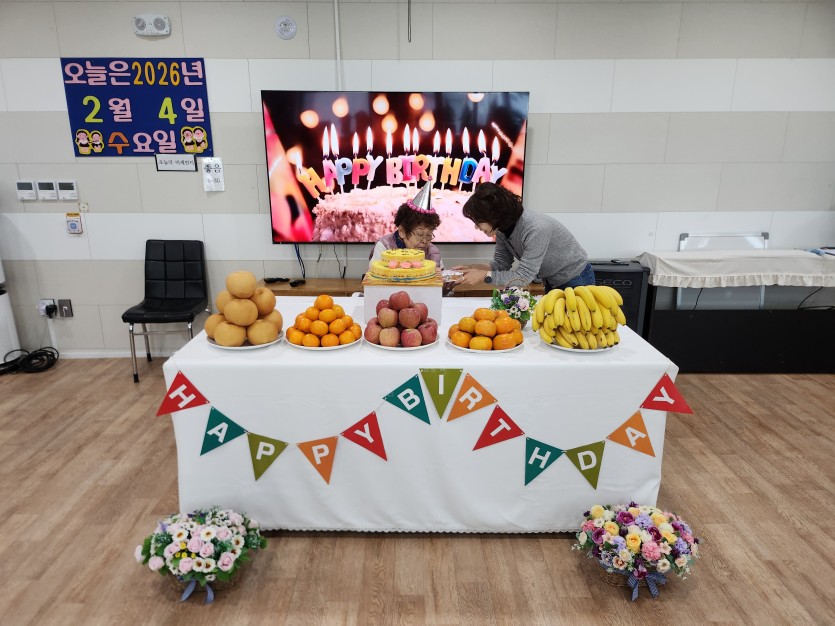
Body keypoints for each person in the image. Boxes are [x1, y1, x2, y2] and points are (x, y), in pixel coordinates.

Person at [453, 182, 593, 292]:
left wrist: (484, 276)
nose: (477, 227)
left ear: (494, 215)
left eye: (478, 221)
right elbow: (501, 264)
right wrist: (472, 268)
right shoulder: (502, 229)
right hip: (551, 280)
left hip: (575, 278)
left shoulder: (536, 228)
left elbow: (523, 278)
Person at [369, 180, 443, 267]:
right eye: (420, 234)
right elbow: (374, 272)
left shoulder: (432, 252)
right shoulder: (384, 247)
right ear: (402, 231)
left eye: (429, 235)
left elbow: (441, 274)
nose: (424, 241)